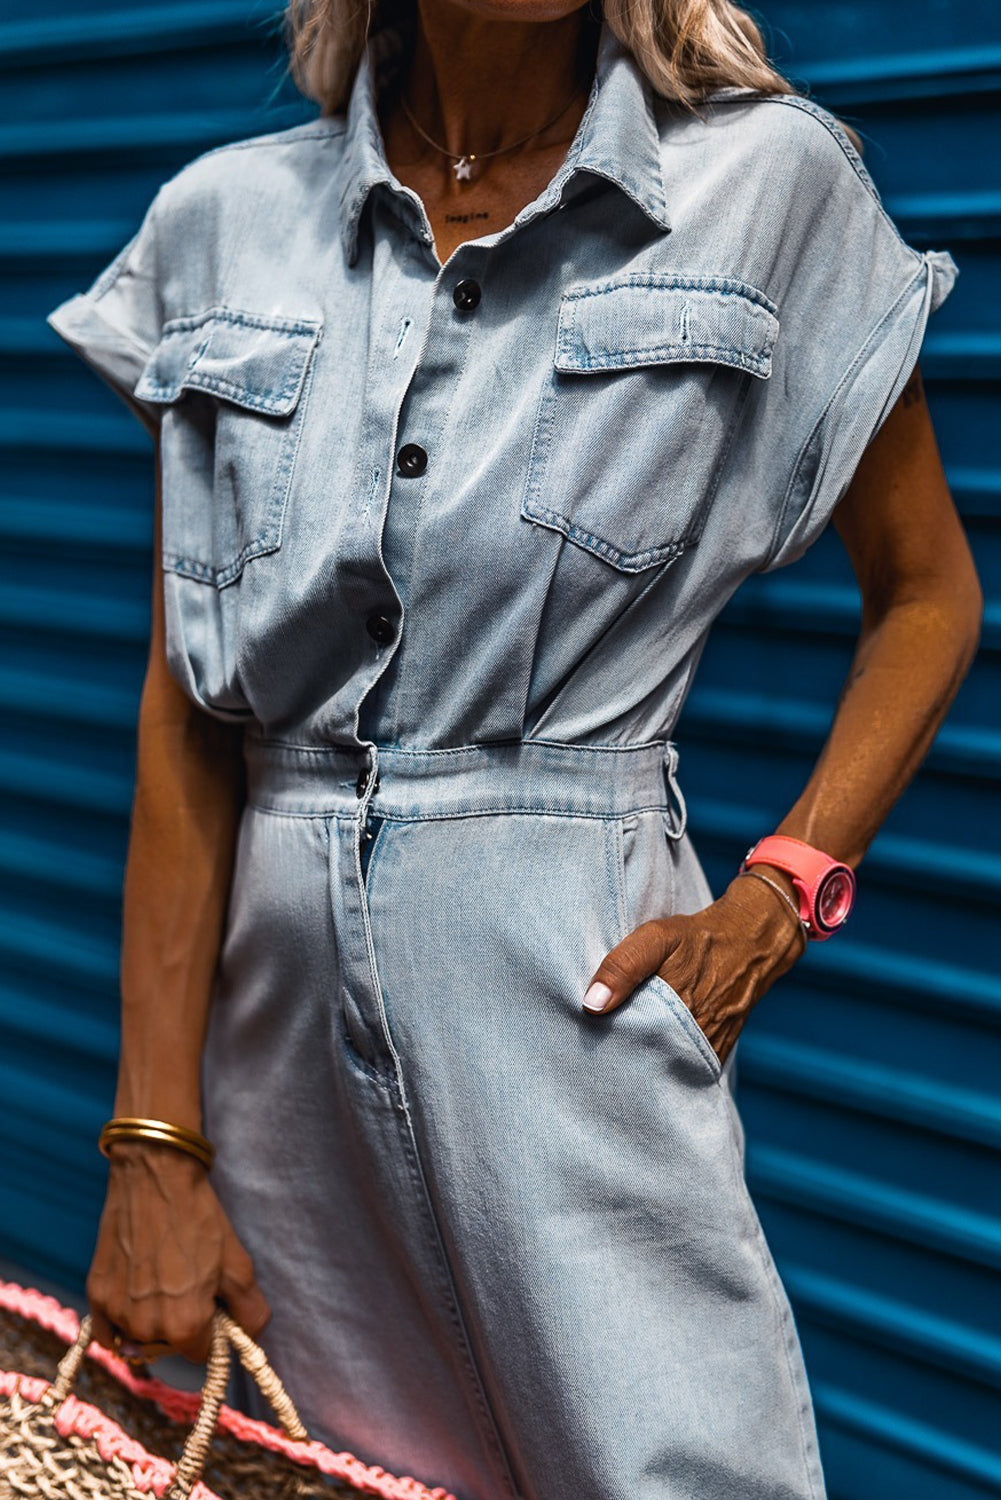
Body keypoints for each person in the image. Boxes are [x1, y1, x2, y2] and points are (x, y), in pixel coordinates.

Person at [45, 0, 982, 1496]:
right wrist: (153, 1137)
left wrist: (780, 889)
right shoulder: (221, 221)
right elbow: (192, 710)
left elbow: (927, 595)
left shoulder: (766, 184)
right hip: (271, 1041)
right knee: (340, 1474)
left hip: (572, 983)